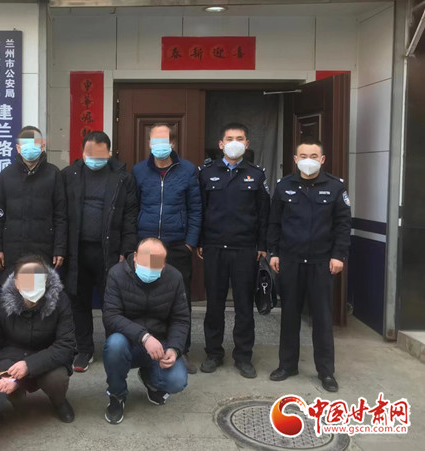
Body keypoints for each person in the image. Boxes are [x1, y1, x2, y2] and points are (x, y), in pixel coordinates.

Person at [267, 140, 351, 392]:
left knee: (322, 318)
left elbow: (343, 225)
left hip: (321, 262)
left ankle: (326, 371)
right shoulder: (284, 186)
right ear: (295, 158)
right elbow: (274, 223)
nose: (308, 159)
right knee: (289, 316)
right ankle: (287, 365)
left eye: (314, 155)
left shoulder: (335, 187)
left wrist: (339, 256)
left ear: (322, 160)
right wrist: (273, 253)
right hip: (290, 260)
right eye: (303, 155)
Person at [197, 123, 270, 379]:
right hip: (214, 247)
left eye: (239, 138)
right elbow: (200, 210)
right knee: (214, 305)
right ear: (221, 144)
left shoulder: (256, 175)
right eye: (229, 138)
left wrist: (262, 246)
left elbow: (264, 214)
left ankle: (243, 356)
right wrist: (200, 241)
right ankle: (213, 353)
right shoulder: (206, 173)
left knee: (243, 306)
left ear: (247, 144)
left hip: (245, 249)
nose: (234, 142)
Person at [61, 131, 139, 372]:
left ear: (109, 153)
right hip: (76, 251)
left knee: (112, 302)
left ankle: (113, 348)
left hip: (110, 251)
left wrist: (127, 250)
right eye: (89, 152)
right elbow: (60, 214)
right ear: (82, 152)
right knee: (78, 301)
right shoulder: (69, 175)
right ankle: (84, 349)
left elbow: (130, 217)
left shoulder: (123, 178)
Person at [132, 123, 202, 374]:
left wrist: (190, 242)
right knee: (147, 298)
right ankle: (147, 348)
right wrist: (136, 243)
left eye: (164, 141)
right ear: (149, 144)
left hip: (177, 244)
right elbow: (133, 207)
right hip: (147, 246)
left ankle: (181, 349)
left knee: (180, 299)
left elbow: (195, 208)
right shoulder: (139, 171)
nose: (159, 146)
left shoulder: (188, 170)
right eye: (155, 141)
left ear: (173, 143)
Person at [0, 255, 77, 424]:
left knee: (57, 379)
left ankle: (59, 401)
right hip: (10, 358)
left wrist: (29, 365)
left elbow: (66, 345)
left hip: (47, 359)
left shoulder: (61, 301)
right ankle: (13, 397)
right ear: (16, 283)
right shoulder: (2, 303)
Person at [102, 238, 190, 424]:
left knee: (177, 380)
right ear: (135, 256)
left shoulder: (174, 277)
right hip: (127, 342)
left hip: (160, 344)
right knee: (114, 345)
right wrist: (144, 337)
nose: (150, 269)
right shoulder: (116, 274)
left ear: (164, 263)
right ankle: (117, 395)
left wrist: (174, 348)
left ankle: (151, 379)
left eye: (156, 264)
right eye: (145, 263)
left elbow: (180, 319)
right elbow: (111, 316)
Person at [0, 126, 67, 282]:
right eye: (26, 144)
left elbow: (61, 216)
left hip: (44, 250)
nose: (30, 148)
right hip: (12, 251)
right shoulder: (6, 175)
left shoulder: (53, 174)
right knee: (13, 292)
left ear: (42, 146)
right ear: (18, 148)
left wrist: (59, 249)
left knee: (42, 291)